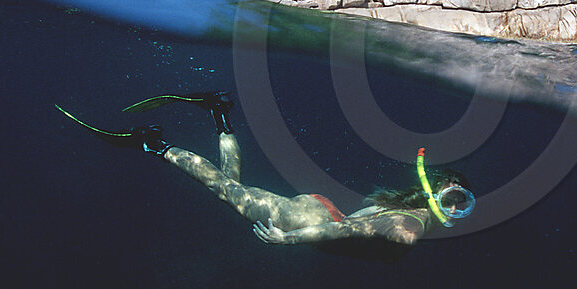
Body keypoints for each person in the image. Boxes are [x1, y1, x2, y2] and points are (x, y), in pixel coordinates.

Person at [55, 92, 473, 251]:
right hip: (311, 221)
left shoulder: (412, 212)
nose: (454, 208)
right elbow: (344, 232)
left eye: (460, 203)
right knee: (225, 190)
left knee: (232, 188)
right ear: (439, 194)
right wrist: (289, 239)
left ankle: (219, 115)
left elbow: (354, 223)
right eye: (453, 199)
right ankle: (155, 144)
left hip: (320, 211)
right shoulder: (412, 228)